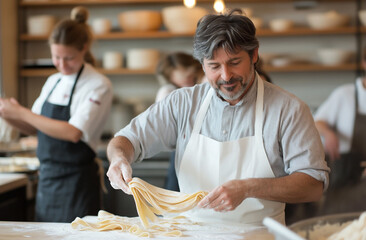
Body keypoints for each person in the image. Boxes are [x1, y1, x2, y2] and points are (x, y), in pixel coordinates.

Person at [106, 9, 329, 226]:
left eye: (234, 62)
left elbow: (313, 185)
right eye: (214, 66)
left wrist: (248, 188)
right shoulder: (182, 103)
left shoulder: (289, 109)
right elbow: (126, 140)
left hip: (259, 234)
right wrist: (118, 159)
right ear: (202, 64)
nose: (225, 76)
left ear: (254, 55)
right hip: (191, 231)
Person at [0, 6, 113, 222]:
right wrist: (7, 113)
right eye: (56, 57)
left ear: (84, 48)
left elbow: (73, 133)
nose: (61, 64)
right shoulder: (54, 81)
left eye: (68, 57)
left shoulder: (98, 84)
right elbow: (33, 127)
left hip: (77, 182)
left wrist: (21, 111)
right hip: (48, 179)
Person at [314, 46, 366, 214]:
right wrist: (328, 133)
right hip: (344, 181)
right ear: (364, 63)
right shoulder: (345, 95)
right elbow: (317, 122)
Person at [155, 52, 205, 191]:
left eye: (190, 78)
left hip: (206, 152)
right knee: (174, 199)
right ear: (171, 79)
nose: (187, 84)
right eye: (181, 82)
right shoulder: (168, 93)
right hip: (182, 153)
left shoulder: (205, 82)